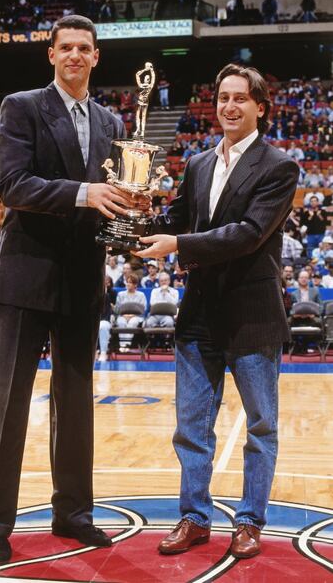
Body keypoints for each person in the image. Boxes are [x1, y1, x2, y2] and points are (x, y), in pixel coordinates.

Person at [0, 15, 138, 564]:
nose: (74, 55)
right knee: (7, 407)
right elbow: (13, 185)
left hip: (81, 278)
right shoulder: (21, 107)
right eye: (65, 47)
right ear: (51, 55)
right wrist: (85, 193)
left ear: (97, 58)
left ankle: (73, 513)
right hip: (27, 277)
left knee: (76, 407)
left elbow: (110, 197)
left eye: (84, 48)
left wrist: (129, 212)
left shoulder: (112, 118)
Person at [135, 63, 299, 559]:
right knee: (191, 427)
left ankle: (249, 521)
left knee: (261, 427)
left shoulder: (279, 166)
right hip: (200, 316)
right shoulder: (200, 163)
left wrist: (175, 243)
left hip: (252, 317)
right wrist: (138, 216)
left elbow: (248, 234)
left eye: (240, 99)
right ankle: (194, 517)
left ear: (260, 108)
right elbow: (178, 218)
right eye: (223, 98)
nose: (229, 106)